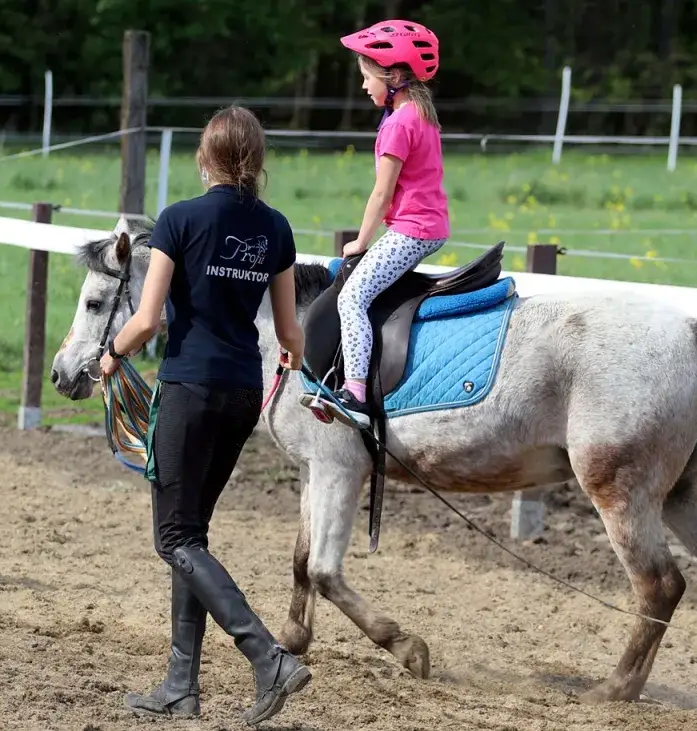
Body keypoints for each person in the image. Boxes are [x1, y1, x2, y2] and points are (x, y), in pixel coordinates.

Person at [97, 105, 310, 725]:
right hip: (245, 390)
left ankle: (265, 654)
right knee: (191, 533)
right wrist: (297, 367)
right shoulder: (276, 228)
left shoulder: (179, 220)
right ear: (257, 162)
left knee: (174, 537)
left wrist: (111, 357)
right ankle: (179, 686)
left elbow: (147, 319)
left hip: (190, 389)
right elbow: (290, 331)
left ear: (204, 158)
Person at [310, 19, 450, 429]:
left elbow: (382, 194)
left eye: (367, 77)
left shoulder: (398, 125)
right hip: (425, 226)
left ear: (392, 76)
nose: (364, 86)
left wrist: (361, 240)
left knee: (351, 299)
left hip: (412, 229)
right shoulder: (420, 115)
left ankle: (355, 395)